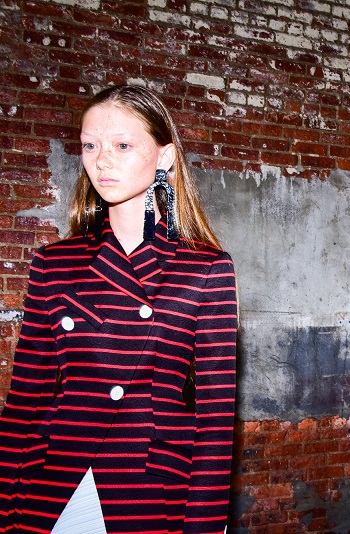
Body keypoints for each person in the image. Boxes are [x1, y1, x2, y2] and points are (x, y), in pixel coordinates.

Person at [0, 85, 238, 534]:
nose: (101, 160)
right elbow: (23, 400)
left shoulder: (205, 269)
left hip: (149, 484)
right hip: (53, 478)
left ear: (164, 158)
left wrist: (204, 525)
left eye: (123, 145)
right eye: (90, 145)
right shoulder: (55, 263)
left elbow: (216, 420)